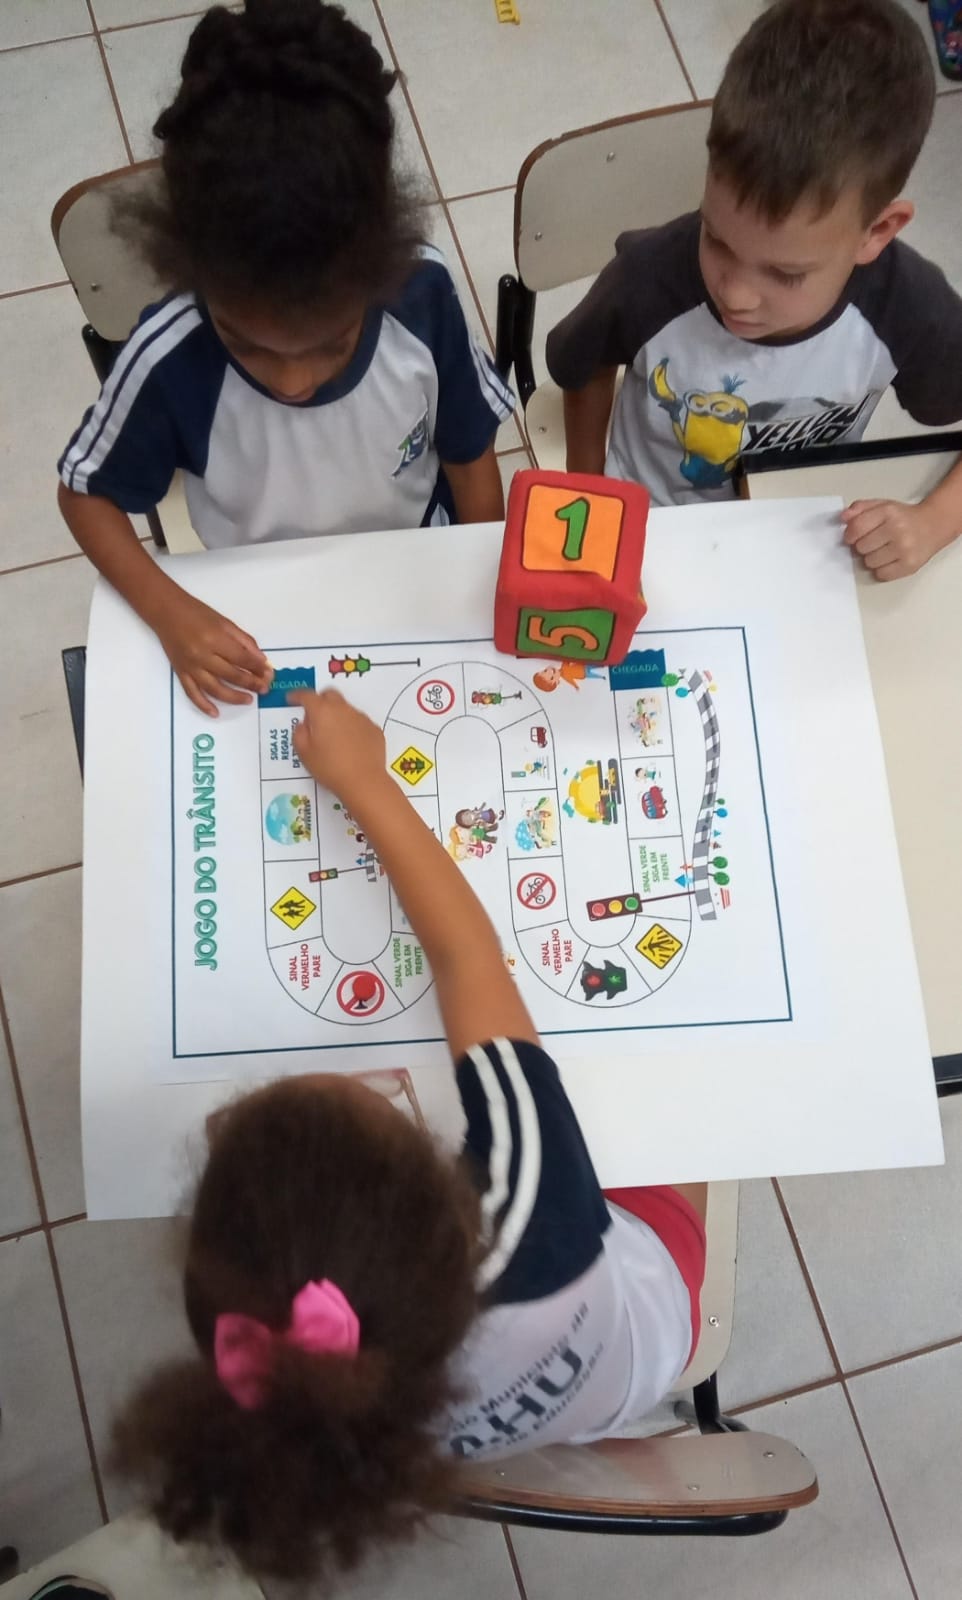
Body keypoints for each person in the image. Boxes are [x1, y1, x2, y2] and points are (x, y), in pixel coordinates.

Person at [112, 689, 706, 1584]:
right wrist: (365, 780)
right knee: (684, 1089)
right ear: (443, 1177)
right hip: (651, 1321)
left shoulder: (313, 1401)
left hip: (564, 1396)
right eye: (366, 1100)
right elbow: (468, 958)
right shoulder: (526, 1207)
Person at [57, 0, 512, 717]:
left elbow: (469, 452)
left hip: (416, 572)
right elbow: (86, 495)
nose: (296, 382)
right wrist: (170, 612)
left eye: (332, 343)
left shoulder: (422, 296)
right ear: (196, 273)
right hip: (255, 606)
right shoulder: (169, 354)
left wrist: (485, 575)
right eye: (247, 345)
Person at [547, 0, 962, 582]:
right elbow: (583, 366)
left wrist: (935, 521)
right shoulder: (647, 276)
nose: (736, 295)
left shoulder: (907, 306)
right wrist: (588, 491)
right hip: (651, 521)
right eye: (716, 239)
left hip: (798, 538)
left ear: (877, 232)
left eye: (786, 273)